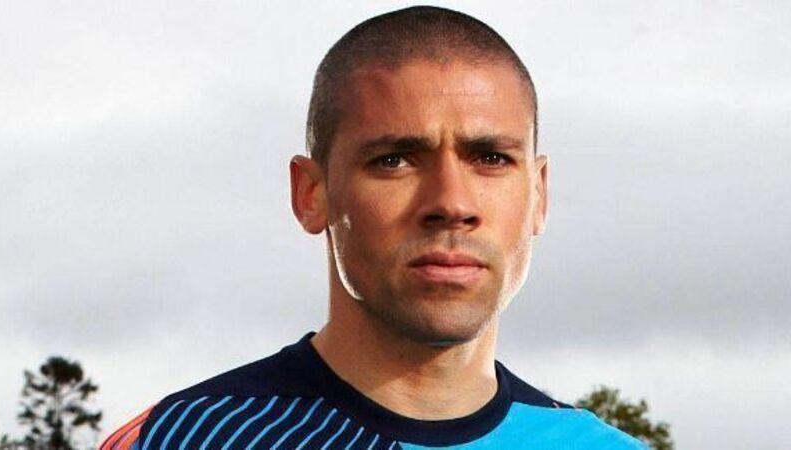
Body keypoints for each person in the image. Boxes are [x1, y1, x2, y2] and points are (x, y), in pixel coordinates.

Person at [101, 6, 645, 449]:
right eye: (394, 160)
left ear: (539, 195)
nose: (451, 203)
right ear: (311, 194)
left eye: (491, 158)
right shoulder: (181, 438)